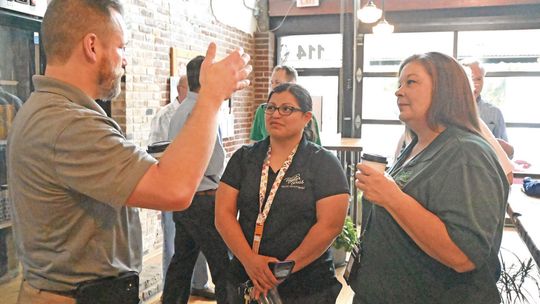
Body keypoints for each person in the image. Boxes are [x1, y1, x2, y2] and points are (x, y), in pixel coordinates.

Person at [6, 0, 251, 303]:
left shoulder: (55, 111)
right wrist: (211, 96)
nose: (125, 61)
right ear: (92, 46)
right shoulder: (67, 123)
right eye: (121, 47)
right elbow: (174, 190)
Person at [351, 52, 509, 303]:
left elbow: (463, 254)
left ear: (445, 89)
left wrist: (391, 197)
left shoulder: (466, 153)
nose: (399, 92)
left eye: (411, 82)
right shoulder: (416, 146)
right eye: (399, 84)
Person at [216, 83, 349, 303]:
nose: (276, 114)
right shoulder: (244, 158)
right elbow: (223, 214)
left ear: (306, 117)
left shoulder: (323, 162)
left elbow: (330, 226)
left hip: (306, 284)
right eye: (270, 108)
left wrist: (282, 271)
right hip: (247, 275)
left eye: (286, 109)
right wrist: (250, 262)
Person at [162, 55, 229, 304]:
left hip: (185, 198)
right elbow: (215, 161)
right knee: (224, 265)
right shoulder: (204, 110)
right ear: (206, 77)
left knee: (182, 263)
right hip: (204, 199)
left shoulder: (180, 111)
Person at [147, 74, 214, 300]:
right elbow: (156, 151)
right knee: (182, 251)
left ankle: (196, 285)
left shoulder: (202, 109)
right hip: (185, 191)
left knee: (184, 254)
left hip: (194, 191)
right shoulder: (171, 114)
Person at [250, 65, 321, 145]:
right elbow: (255, 142)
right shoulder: (262, 110)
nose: (273, 87)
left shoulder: (306, 114)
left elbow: (317, 148)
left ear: (292, 84)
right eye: (271, 83)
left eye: (277, 82)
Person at [461, 60, 512, 151]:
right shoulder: (448, 110)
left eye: (479, 79)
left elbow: (506, 151)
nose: (475, 84)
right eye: (471, 79)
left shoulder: (494, 113)